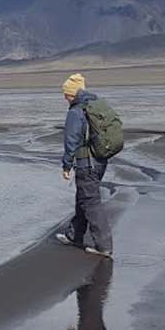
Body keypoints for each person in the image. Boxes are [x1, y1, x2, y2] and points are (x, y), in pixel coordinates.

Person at [54, 73, 113, 257]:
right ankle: (74, 235)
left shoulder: (76, 111)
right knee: (83, 198)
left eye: (66, 93)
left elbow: (71, 141)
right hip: (100, 162)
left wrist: (66, 166)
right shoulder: (95, 105)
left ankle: (103, 246)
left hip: (86, 164)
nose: (64, 97)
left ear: (73, 93)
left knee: (91, 202)